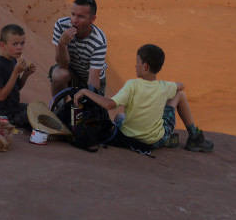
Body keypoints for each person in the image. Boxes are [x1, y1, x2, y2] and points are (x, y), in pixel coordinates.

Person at [72, 43, 214, 153]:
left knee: (119, 117)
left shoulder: (132, 85)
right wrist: (170, 87)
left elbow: (110, 105)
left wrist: (85, 91)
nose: (135, 65)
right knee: (180, 94)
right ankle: (194, 137)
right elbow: (181, 86)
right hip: (153, 141)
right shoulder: (164, 86)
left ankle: (169, 138)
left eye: (137, 62)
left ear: (145, 66)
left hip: (129, 137)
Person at [50, 0, 107, 96]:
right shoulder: (61, 26)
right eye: (73, 14)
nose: (74, 20)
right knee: (58, 75)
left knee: (90, 106)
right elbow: (63, 65)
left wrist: (89, 97)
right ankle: (58, 108)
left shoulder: (99, 41)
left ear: (92, 19)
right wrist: (62, 44)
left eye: (81, 16)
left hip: (91, 76)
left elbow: (93, 78)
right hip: (71, 71)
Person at [0, 24, 35, 127]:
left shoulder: (13, 60)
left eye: (22, 43)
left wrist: (25, 75)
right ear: (2, 45)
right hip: (4, 115)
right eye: (15, 44)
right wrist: (15, 73)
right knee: (36, 118)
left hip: (14, 108)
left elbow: (15, 88)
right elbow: (1, 96)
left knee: (36, 109)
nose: (20, 48)